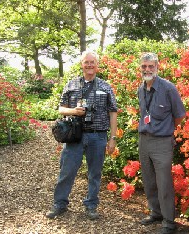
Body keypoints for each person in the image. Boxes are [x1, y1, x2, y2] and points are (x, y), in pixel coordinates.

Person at [46, 51, 118, 220]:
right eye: (86, 62)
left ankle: (91, 205)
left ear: (97, 65)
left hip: (98, 136)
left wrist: (112, 138)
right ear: (82, 64)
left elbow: (113, 112)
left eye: (92, 62)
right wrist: (73, 111)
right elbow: (61, 109)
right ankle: (59, 204)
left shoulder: (106, 87)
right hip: (74, 136)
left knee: (95, 173)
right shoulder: (71, 85)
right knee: (67, 171)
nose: (89, 65)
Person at [137, 52, 186, 234]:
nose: (147, 69)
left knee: (164, 182)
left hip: (162, 142)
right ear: (140, 68)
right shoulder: (140, 89)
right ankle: (155, 212)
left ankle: (168, 221)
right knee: (149, 180)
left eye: (151, 66)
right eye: (144, 66)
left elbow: (179, 115)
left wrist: (166, 129)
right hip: (144, 140)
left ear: (157, 67)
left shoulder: (168, 88)